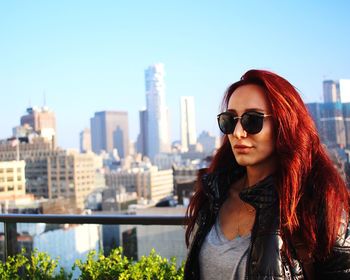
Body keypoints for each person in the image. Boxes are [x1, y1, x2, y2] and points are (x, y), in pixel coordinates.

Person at [184, 69, 350, 280]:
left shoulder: (317, 203)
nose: (237, 132)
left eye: (252, 120)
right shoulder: (213, 195)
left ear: (284, 124)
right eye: (229, 119)